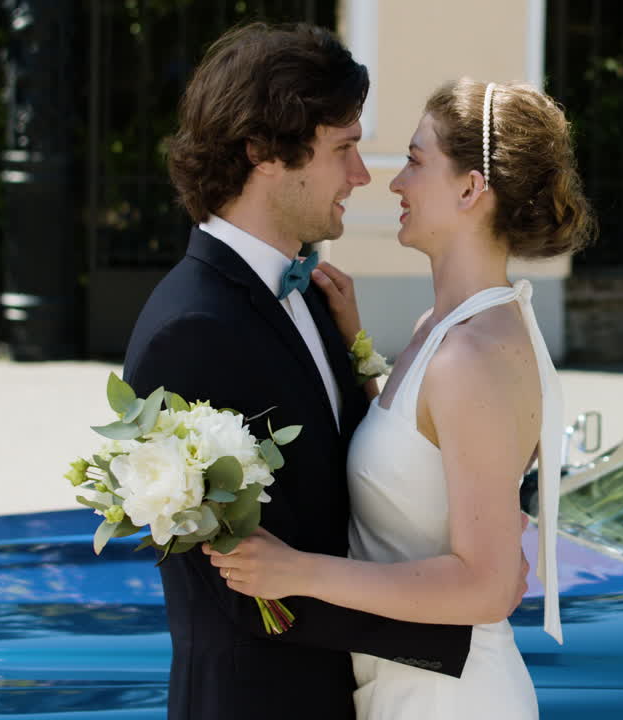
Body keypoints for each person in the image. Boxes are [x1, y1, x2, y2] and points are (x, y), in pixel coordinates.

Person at [122, 25, 528, 720]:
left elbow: (355, 477)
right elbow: (244, 588)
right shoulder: (189, 332)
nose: (363, 176)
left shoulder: (315, 295)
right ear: (263, 152)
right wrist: (470, 616)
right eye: (343, 149)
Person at [203, 78, 595, 718]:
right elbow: (420, 459)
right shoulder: (439, 331)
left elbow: (489, 585)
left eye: (415, 161)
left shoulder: (473, 358)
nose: (393, 183)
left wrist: (294, 572)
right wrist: (357, 353)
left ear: (471, 189)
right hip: (401, 683)